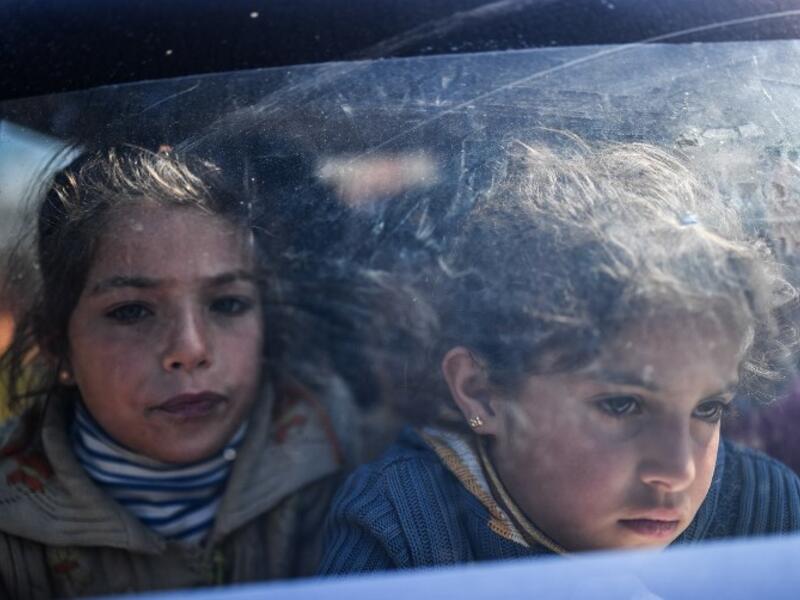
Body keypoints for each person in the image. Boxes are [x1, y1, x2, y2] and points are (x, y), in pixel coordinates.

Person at [318, 137, 800, 574]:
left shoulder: (764, 507)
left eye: (708, 409)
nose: (679, 470)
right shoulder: (406, 529)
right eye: (621, 404)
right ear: (482, 393)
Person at [0, 146, 343, 597]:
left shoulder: (352, 463)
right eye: (131, 311)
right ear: (57, 346)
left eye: (227, 304)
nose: (190, 349)